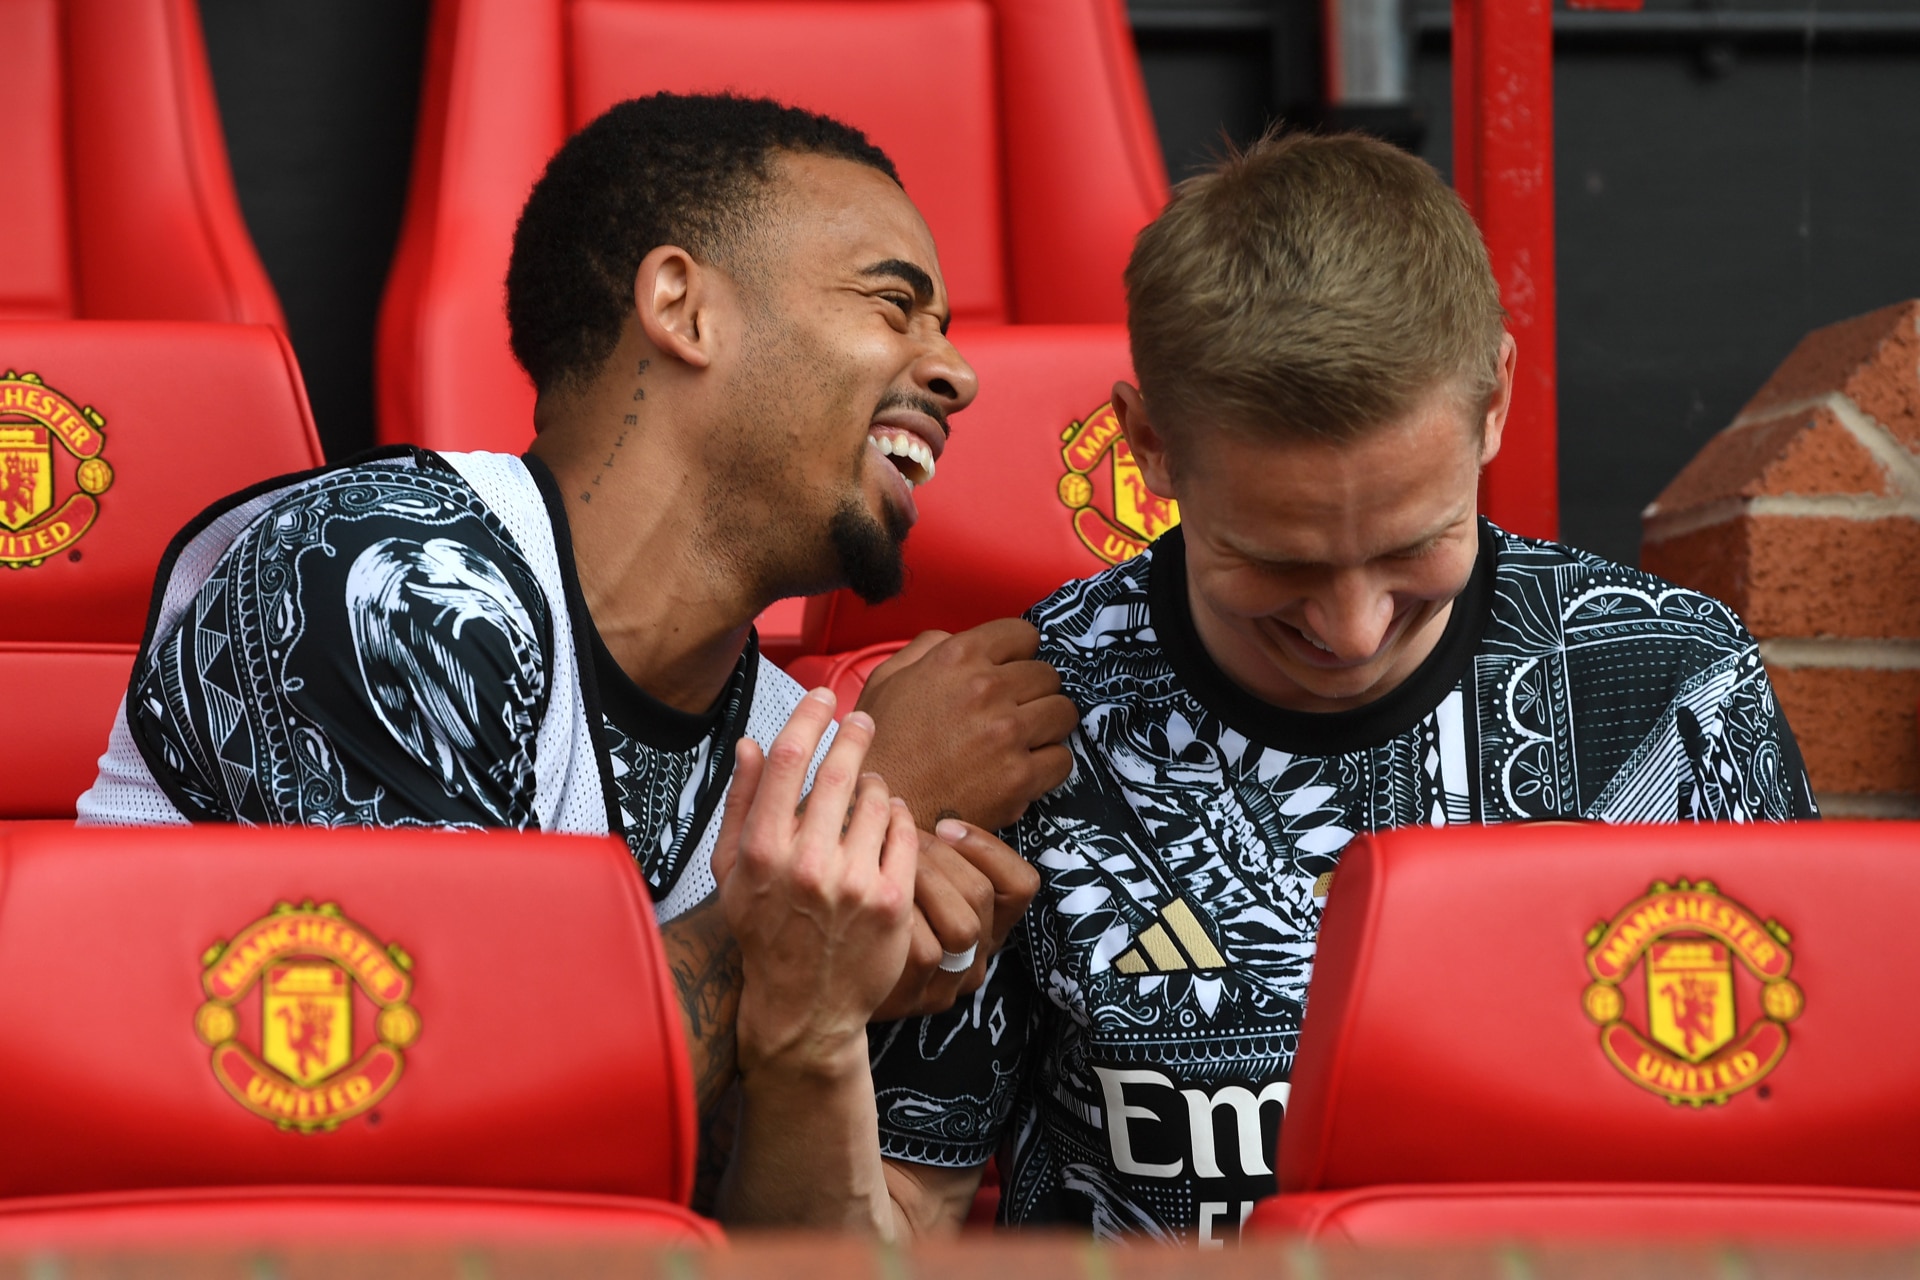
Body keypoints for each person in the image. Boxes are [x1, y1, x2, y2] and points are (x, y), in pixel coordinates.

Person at [779, 129, 1814, 1243]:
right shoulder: (1014, 727)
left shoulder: (1672, 686)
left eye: (1418, 546)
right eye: (1278, 562)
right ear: (1150, 449)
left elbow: (1789, 1159)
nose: (1352, 626)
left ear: (1495, 401)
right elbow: (892, 1224)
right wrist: (809, 1016)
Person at [77, 93, 1075, 1228]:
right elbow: (440, 1130)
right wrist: (824, 883)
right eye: (894, 305)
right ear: (682, 306)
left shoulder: (826, 768)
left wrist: (812, 1041)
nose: (956, 373)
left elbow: (849, 1244)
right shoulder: (381, 574)